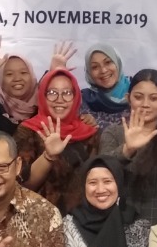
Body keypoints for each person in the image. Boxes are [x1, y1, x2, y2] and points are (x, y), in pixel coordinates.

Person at [98, 68, 157, 223]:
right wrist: (127, 150)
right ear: (128, 98)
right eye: (138, 97)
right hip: (121, 224)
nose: (145, 104)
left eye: (154, 98)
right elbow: (101, 172)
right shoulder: (113, 133)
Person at [15, 69, 100, 212]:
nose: (60, 99)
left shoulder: (90, 133)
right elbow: (21, 185)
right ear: (42, 96)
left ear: (76, 97)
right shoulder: (28, 130)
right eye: (52, 93)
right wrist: (48, 157)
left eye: (67, 93)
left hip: (85, 217)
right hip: (41, 216)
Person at [81, 44, 131, 128]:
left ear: (117, 62)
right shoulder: (85, 99)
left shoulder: (137, 91)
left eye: (108, 62)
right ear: (89, 73)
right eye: (95, 67)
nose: (103, 70)